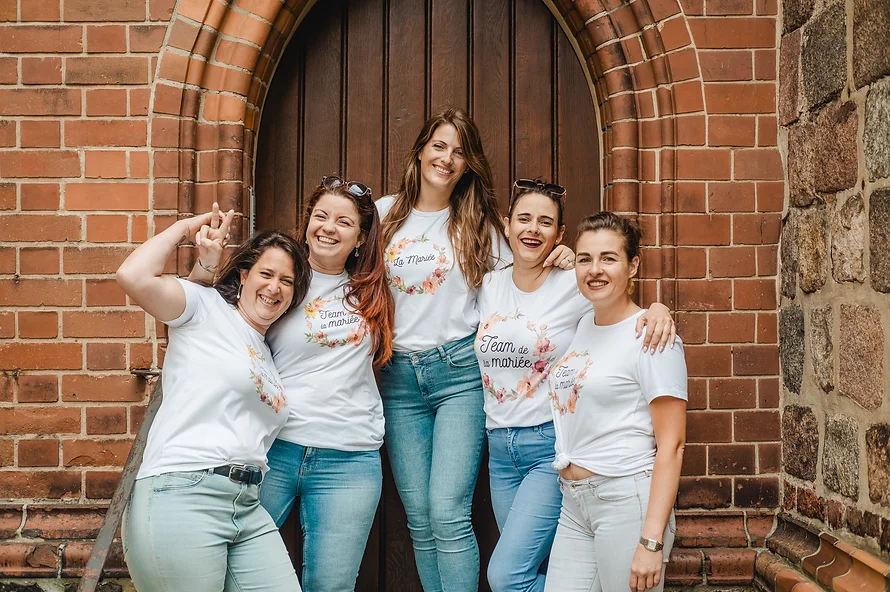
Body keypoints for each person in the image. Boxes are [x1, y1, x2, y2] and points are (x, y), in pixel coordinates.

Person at [376, 107, 572, 592]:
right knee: (419, 518)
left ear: (469, 164)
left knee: (447, 509)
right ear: (421, 149)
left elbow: (529, 271)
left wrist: (563, 256)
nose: (446, 158)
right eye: (439, 146)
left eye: (459, 151)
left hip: (459, 374)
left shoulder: (481, 225)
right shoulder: (382, 215)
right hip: (397, 377)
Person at [475, 181, 675, 592]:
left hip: (563, 458)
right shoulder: (490, 285)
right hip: (511, 454)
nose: (594, 268)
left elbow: (623, 309)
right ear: (506, 225)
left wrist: (660, 309)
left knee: (506, 576)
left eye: (545, 222)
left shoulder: (577, 289)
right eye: (524, 219)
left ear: (558, 235)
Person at [117, 211, 311, 592]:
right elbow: (132, 276)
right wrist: (184, 230)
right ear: (243, 276)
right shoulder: (203, 307)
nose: (274, 287)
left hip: (246, 504)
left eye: (287, 282)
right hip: (183, 491)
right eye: (266, 274)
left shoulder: (266, 353)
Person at [543, 212, 687, 592]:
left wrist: (651, 541)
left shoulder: (655, 338)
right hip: (574, 503)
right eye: (586, 258)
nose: (595, 270)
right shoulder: (583, 325)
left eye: (609, 258)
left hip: (627, 500)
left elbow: (671, 445)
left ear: (633, 264)